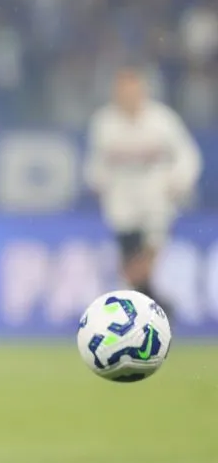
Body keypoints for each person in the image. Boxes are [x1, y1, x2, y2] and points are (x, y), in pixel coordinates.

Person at [84, 66, 202, 319]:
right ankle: (155, 307)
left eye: (132, 91)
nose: (128, 96)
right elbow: (96, 163)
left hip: (156, 199)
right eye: (122, 91)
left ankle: (141, 310)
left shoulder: (162, 120)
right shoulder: (104, 122)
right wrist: (96, 182)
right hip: (121, 203)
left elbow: (188, 156)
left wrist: (178, 182)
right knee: (129, 261)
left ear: (142, 91)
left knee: (148, 254)